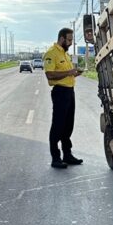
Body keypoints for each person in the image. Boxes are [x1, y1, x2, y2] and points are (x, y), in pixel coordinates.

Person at [44, 28, 83, 169]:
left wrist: (74, 74)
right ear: (61, 39)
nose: (71, 42)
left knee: (68, 126)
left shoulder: (65, 55)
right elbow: (50, 75)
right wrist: (69, 72)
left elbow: (66, 74)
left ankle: (67, 154)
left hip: (69, 92)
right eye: (69, 40)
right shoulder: (51, 54)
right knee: (58, 126)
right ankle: (55, 158)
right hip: (60, 92)